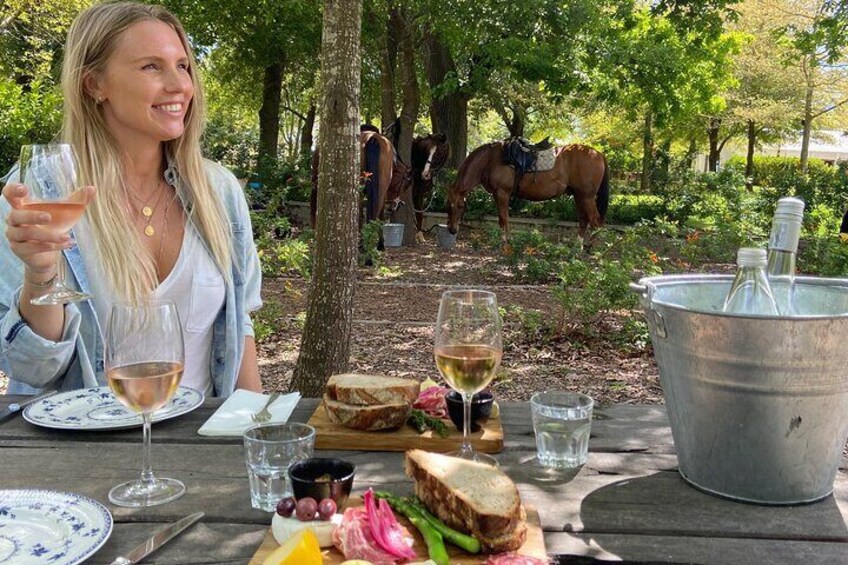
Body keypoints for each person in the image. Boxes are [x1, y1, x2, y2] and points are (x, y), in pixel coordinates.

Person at [0, 1, 262, 397]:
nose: (179, 86)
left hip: (200, 448)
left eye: (183, 66)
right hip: (79, 454)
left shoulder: (218, 191)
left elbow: (238, 327)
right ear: (94, 84)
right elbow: (32, 369)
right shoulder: (35, 195)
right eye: (151, 66)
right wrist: (39, 275)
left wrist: (250, 433)